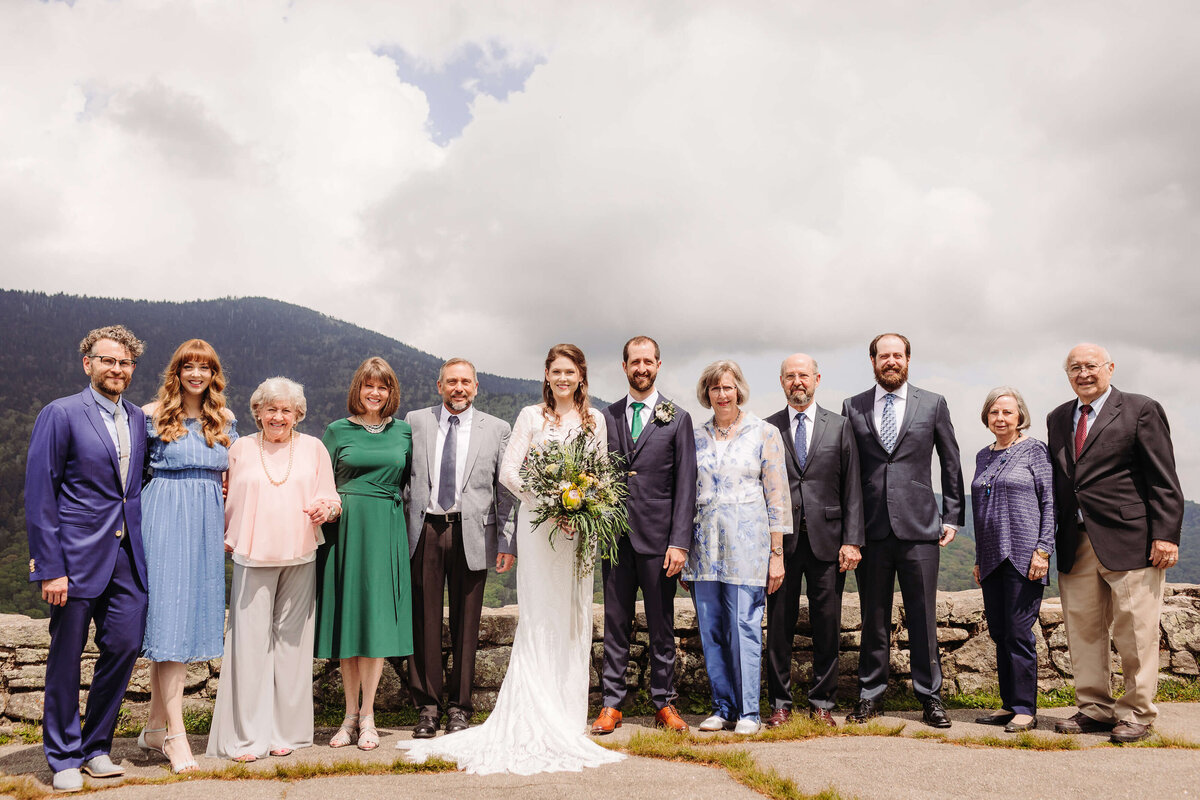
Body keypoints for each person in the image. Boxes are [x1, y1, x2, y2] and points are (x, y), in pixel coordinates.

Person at [401, 344, 624, 774]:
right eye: (556, 371)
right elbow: (509, 472)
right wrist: (553, 502)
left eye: (570, 372)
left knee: (574, 612)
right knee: (539, 613)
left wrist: (579, 508)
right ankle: (521, 702)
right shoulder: (528, 416)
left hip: (578, 531)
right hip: (540, 527)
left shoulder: (595, 421)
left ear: (581, 376)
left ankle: (566, 707)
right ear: (546, 374)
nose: (563, 378)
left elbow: (599, 471)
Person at [25, 325, 149, 793]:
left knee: (124, 645)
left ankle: (96, 748)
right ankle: (62, 757)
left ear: (132, 369)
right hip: (73, 560)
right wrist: (49, 566)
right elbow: (40, 494)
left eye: (125, 363)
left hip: (128, 558)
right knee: (65, 657)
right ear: (88, 363)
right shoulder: (60, 414)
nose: (116, 369)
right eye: (108, 360)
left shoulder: (137, 418)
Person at [1047, 344, 1184, 744]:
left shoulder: (1141, 409)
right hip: (1075, 540)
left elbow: (1163, 477)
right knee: (1083, 630)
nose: (1083, 373)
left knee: (1136, 631)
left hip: (1132, 540)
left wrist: (1165, 535)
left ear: (1110, 368)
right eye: (1074, 367)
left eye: (1091, 366)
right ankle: (1094, 707)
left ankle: (1137, 712)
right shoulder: (1057, 417)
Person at [206, 377, 340, 762]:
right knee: (248, 646)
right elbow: (222, 494)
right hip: (252, 556)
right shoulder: (240, 447)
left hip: (300, 555)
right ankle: (247, 737)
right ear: (258, 412)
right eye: (271, 409)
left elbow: (331, 498)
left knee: (292, 647)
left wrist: (326, 509)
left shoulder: (314, 448)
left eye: (286, 410)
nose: (278, 416)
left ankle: (286, 734)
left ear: (297, 414)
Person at [842, 333, 964, 729]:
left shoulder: (933, 403)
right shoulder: (853, 406)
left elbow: (950, 460)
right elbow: (848, 471)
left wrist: (953, 516)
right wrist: (850, 529)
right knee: (872, 616)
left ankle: (930, 697)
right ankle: (870, 695)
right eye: (883, 355)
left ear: (908, 359)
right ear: (873, 361)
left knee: (923, 617)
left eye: (897, 355)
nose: (890, 361)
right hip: (871, 531)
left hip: (920, 528)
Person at [138, 339, 238, 773]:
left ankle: (155, 727)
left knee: (185, 619)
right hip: (163, 518)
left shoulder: (225, 420)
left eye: (205, 367)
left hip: (205, 523)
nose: (196, 374)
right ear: (175, 372)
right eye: (188, 366)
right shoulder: (150, 415)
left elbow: (239, 477)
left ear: (214, 375)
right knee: (170, 621)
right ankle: (177, 738)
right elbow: (129, 476)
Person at [403, 358, 516, 739]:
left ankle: (460, 708)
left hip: (473, 534)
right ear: (439, 386)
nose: (459, 388)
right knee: (425, 622)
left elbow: (505, 491)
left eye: (465, 382)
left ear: (476, 387)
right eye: (452, 382)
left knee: (467, 625)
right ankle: (428, 708)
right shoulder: (415, 421)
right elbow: (404, 479)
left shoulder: (497, 429)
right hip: (425, 532)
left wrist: (506, 540)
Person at [592, 336, 697, 735]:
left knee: (661, 626)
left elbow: (686, 485)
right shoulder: (606, 416)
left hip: (660, 541)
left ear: (658, 365)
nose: (642, 368)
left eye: (648, 361)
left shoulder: (678, 418)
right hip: (616, 538)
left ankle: (664, 704)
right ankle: (611, 705)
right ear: (624, 367)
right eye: (635, 361)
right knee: (615, 624)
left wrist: (679, 542)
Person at [684, 360, 791, 736]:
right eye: (715, 388)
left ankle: (749, 713)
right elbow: (685, 495)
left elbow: (777, 496)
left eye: (728, 387)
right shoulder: (694, 437)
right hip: (703, 549)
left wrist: (776, 555)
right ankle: (722, 707)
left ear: (739, 390)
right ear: (706, 393)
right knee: (711, 629)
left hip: (749, 548)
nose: (722, 394)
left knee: (744, 626)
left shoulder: (764, 432)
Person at [315, 357, 413, 751]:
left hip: (385, 529)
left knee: (374, 624)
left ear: (391, 393)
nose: (375, 393)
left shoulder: (405, 432)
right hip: (345, 529)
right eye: (369, 386)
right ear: (358, 389)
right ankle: (348, 716)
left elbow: (413, 485)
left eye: (383, 387)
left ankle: (369, 716)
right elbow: (319, 482)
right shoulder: (336, 431)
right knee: (349, 624)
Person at [763, 353, 864, 728]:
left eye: (803, 375)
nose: (797, 382)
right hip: (781, 545)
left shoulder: (840, 426)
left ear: (817, 379)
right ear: (781, 381)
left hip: (829, 542)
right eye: (790, 376)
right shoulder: (768, 427)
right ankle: (780, 705)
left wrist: (852, 540)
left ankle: (822, 703)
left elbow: (852, 486)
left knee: (826, 626)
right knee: (778, 628)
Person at [969, 387, 1055, 733]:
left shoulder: (1035, 451)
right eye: (994, 413)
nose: (1000, 418)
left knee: (1019, 633)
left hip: (1024, 555)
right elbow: (979, 511)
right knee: (1000, 632)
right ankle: (1008, 704)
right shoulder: (981, 456)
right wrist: (977, 556)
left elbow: (1050, 503)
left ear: (1020, 416)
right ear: (986, 417)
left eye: (1007, 412)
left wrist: (1043, 549)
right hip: (990, 557)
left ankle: (1025, 708)